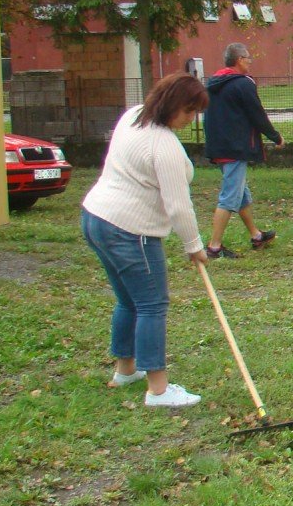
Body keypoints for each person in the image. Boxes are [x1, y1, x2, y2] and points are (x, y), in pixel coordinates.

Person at [81, 73, 210, 408]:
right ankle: (158, 390)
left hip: (95, 218)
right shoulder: (163, 145)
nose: (190, 119)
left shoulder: (133, 116)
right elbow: (179, 205)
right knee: (152, 304)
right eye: (188, 111)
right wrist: (194, 245)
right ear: (171, 105)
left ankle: (126, 370)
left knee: (129, 300)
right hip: (130, 231)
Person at [203, 42, 284, 259]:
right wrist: (275, 137)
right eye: (248, 58)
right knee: (230, 197)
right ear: (239, 60)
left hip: (219, 147)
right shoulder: (242, 84)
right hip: (235, 148)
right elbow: (256, 114)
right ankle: (214, 247)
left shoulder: (214, 83)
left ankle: (256, 236)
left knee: (241, 194)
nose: (250, 62)